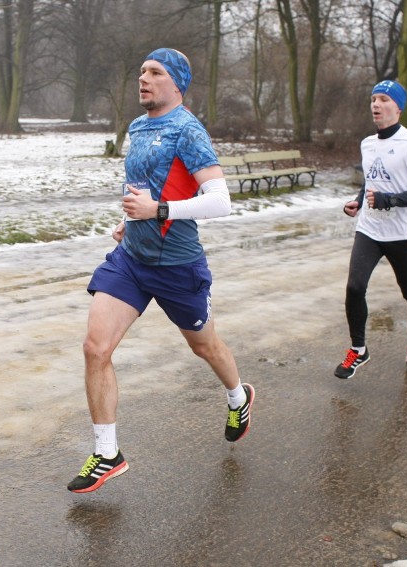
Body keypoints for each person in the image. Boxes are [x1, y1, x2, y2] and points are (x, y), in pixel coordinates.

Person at [67, 48, 254, 493]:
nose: (144, 79)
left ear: (178, 84)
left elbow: (221, 201)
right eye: (141, 72)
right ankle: (108, 453)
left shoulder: (189, 132)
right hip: (131, 259)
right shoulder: (138, 126)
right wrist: (131, 218)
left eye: (155, 72)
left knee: (204, 347)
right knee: (96, 348)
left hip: (177, 265)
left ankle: (238, 396)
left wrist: (160, 209)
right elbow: (145, 186)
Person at [335, 80, 407, 380]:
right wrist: (358, 201)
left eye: (383, 99)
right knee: (355, 287)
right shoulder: (367, 143)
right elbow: (371, 182)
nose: (376, 105)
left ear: (399, 107)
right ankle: (359, 348)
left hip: (401, 233)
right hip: (369, 229)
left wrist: (390, 200)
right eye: (373, 99)